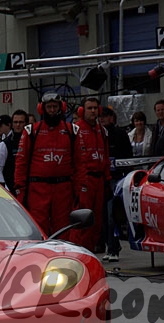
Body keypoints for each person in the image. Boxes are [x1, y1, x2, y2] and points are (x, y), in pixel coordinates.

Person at [14, 92, 86, 237]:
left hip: (63, 190)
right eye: (49, 107)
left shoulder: (72, 131)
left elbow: (80, 165)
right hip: (37, 190)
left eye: (55, 107)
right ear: (42, 109)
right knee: (38, 229)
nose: (52, 110)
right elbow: (21, 164)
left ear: (61, 108)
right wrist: (20, 190)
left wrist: (80, 191)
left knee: (63, 229)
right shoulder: (31, 131)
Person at [71, 97, 109, 251]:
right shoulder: (76, 129)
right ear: (82, 111)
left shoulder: (101, 130)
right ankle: (79, 252)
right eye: (90, 108)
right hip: (85, 180)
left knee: (96, 222)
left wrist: (107, 180)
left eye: (95, 108)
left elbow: (106, 156)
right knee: (82, 220)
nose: (93, 111)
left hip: (99, 181)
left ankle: (91, 251)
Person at [99, 106, 133, 262]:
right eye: (101, 116)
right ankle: (110, 245)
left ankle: (113, 248)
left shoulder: (119, 134)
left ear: (112, 118)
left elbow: (128, 157)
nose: (103, 119)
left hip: (117, 178)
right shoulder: (98, 133)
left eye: (106, 116)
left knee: (112, 215)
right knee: (103, 217)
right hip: (101, 179)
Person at [0, 109, 28, 192]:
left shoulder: (32, 141)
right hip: (11, 188)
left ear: (26, 123)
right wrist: (5, 189)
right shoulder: (4, 144)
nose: (18, 125)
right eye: (15, 122)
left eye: (21, 122)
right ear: (12, 124)